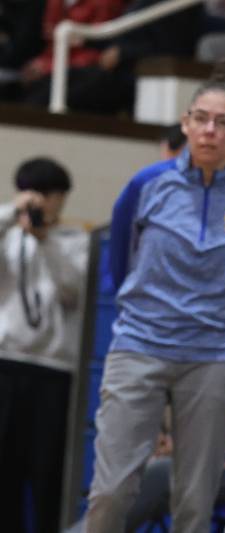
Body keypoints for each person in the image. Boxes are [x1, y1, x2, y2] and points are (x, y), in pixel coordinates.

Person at [85, 64, 225, 532]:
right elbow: (120, 265)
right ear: (186, 122)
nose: (210, 130)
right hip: (140, 347)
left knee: (195, 501)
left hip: (213, 357)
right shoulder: (146, 185)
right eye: (201, 118)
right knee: (111, 492)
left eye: (222, 122)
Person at [0, 157, 87, 533]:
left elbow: (71, 292)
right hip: (7, 363)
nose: (43, 203)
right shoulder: (8, 237)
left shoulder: (76, 241)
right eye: (35, 195)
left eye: (51, 196)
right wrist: (10, 214)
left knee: (48, 470)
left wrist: (45, 242)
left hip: (55, 371)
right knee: (4, 471)